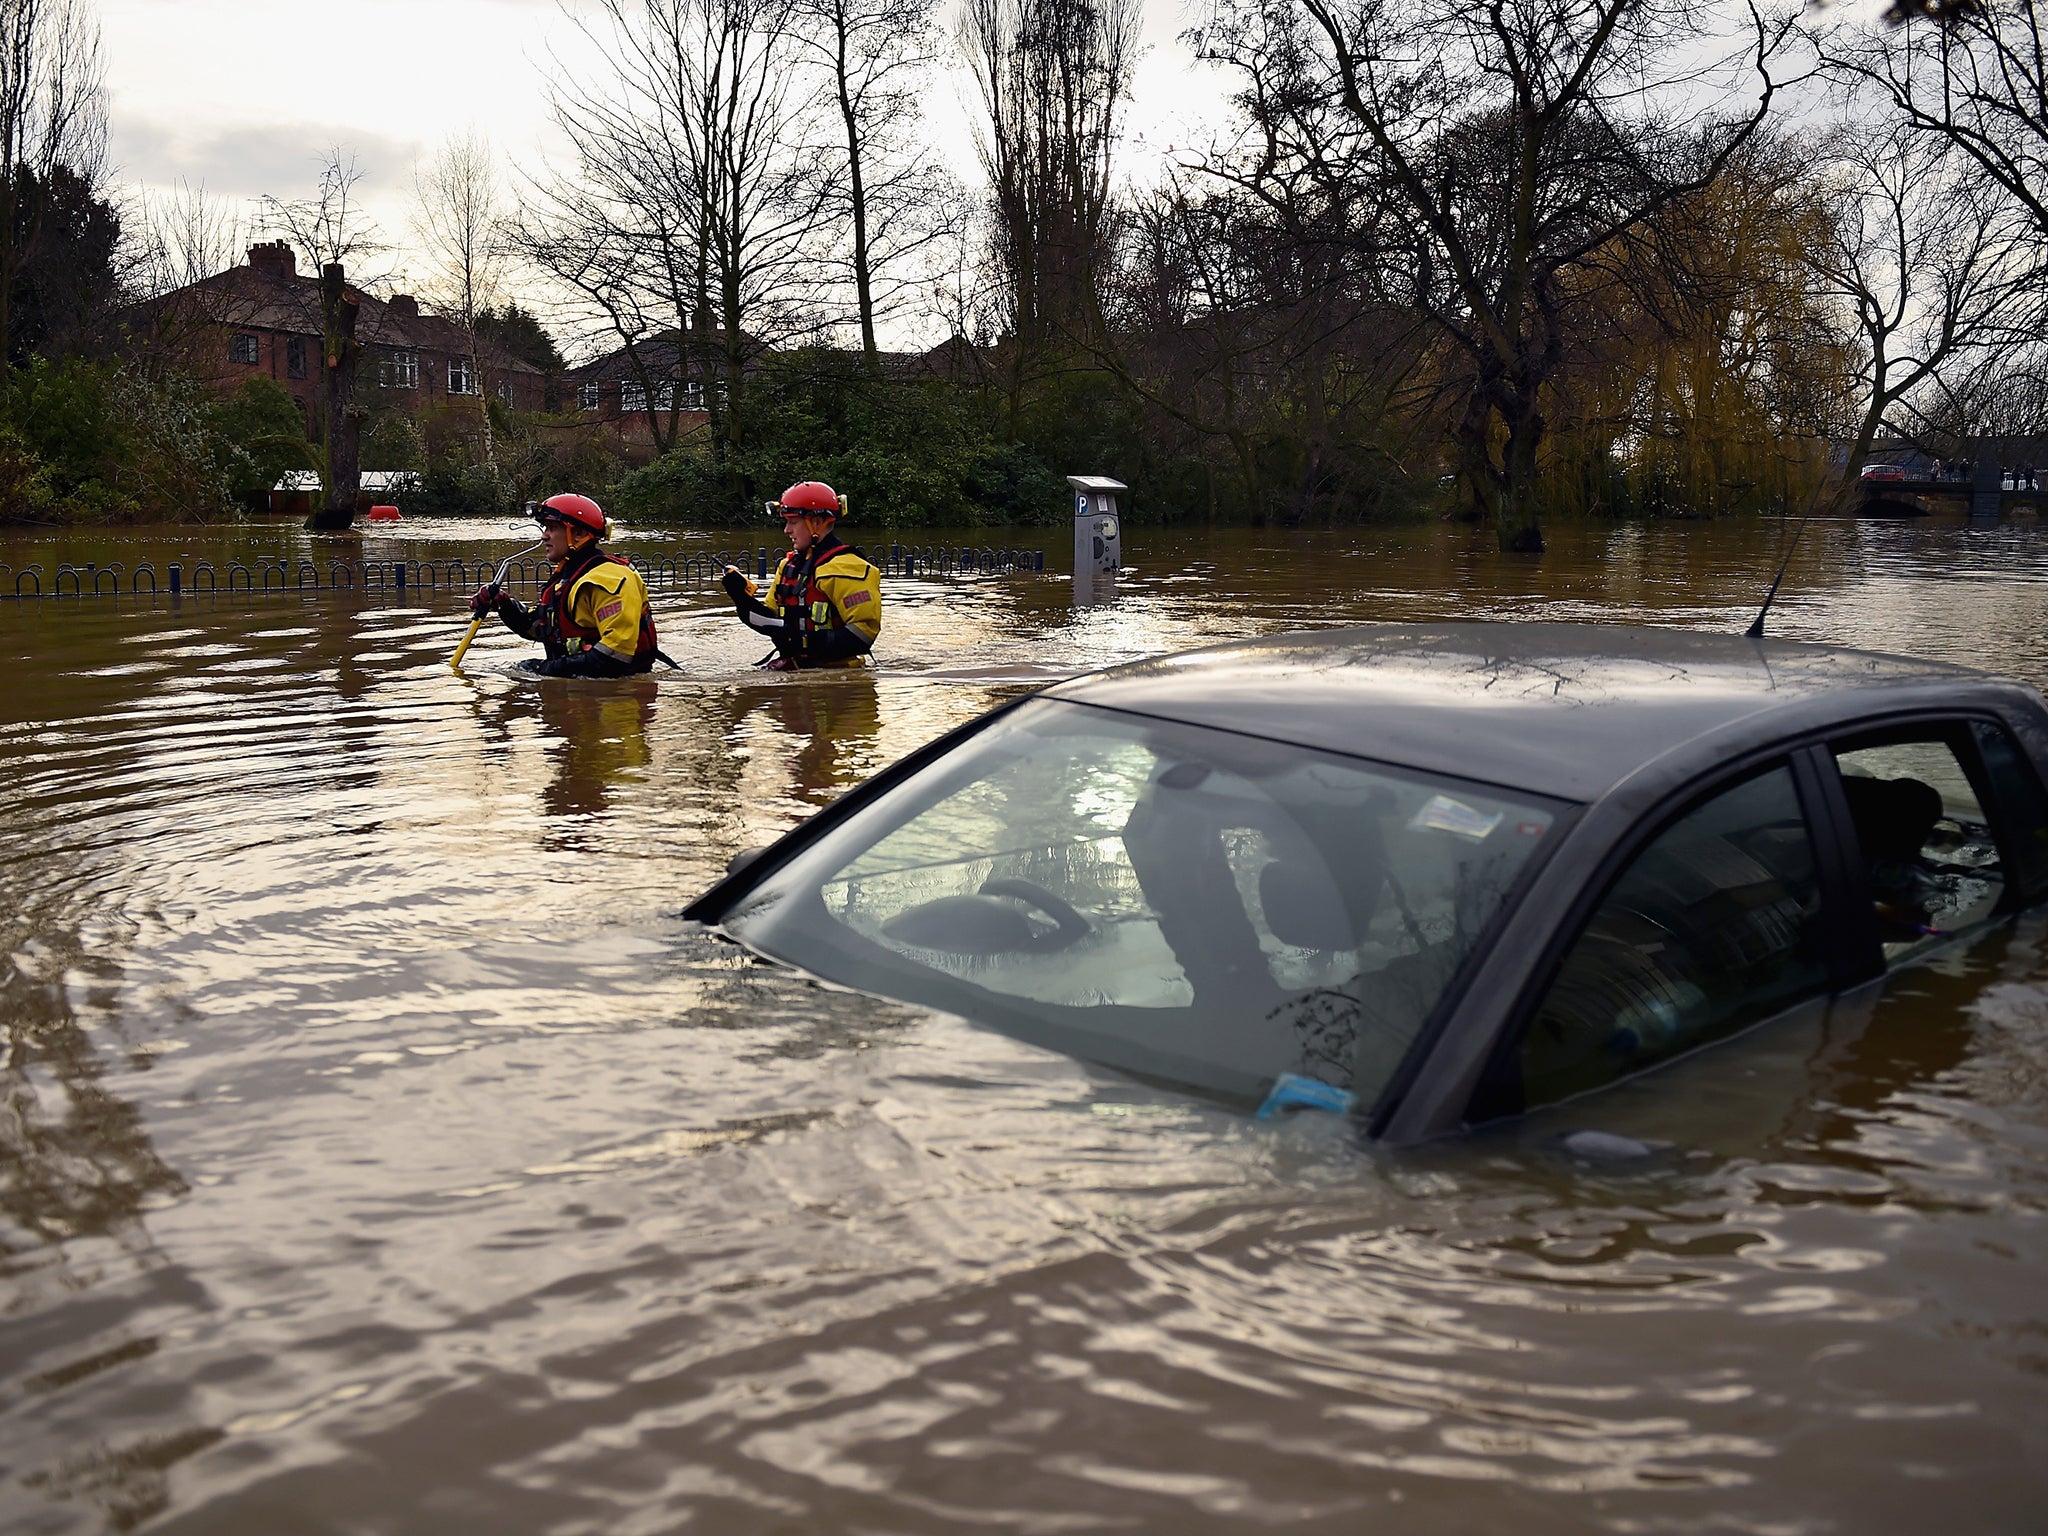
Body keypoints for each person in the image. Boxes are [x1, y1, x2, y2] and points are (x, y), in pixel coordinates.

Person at [470, 493, 663, 677]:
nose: (544, 536)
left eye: (552, 528)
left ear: (578, 534)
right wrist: (504, 605)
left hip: (618, 700)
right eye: (545, 528)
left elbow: (614, 656)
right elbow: (541, 628)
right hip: (582, 694)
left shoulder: (608, 580)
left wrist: (545, 669)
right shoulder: (569, 577)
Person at [721, 481, 882, 669]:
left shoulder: (846, 567)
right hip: (798, 667)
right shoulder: (788, 565)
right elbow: (769, 621)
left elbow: (862, 635)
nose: (786, 530)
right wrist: (740, 597)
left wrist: (803, 642)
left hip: (837, 676)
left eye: (793, 522)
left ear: (817, 522)